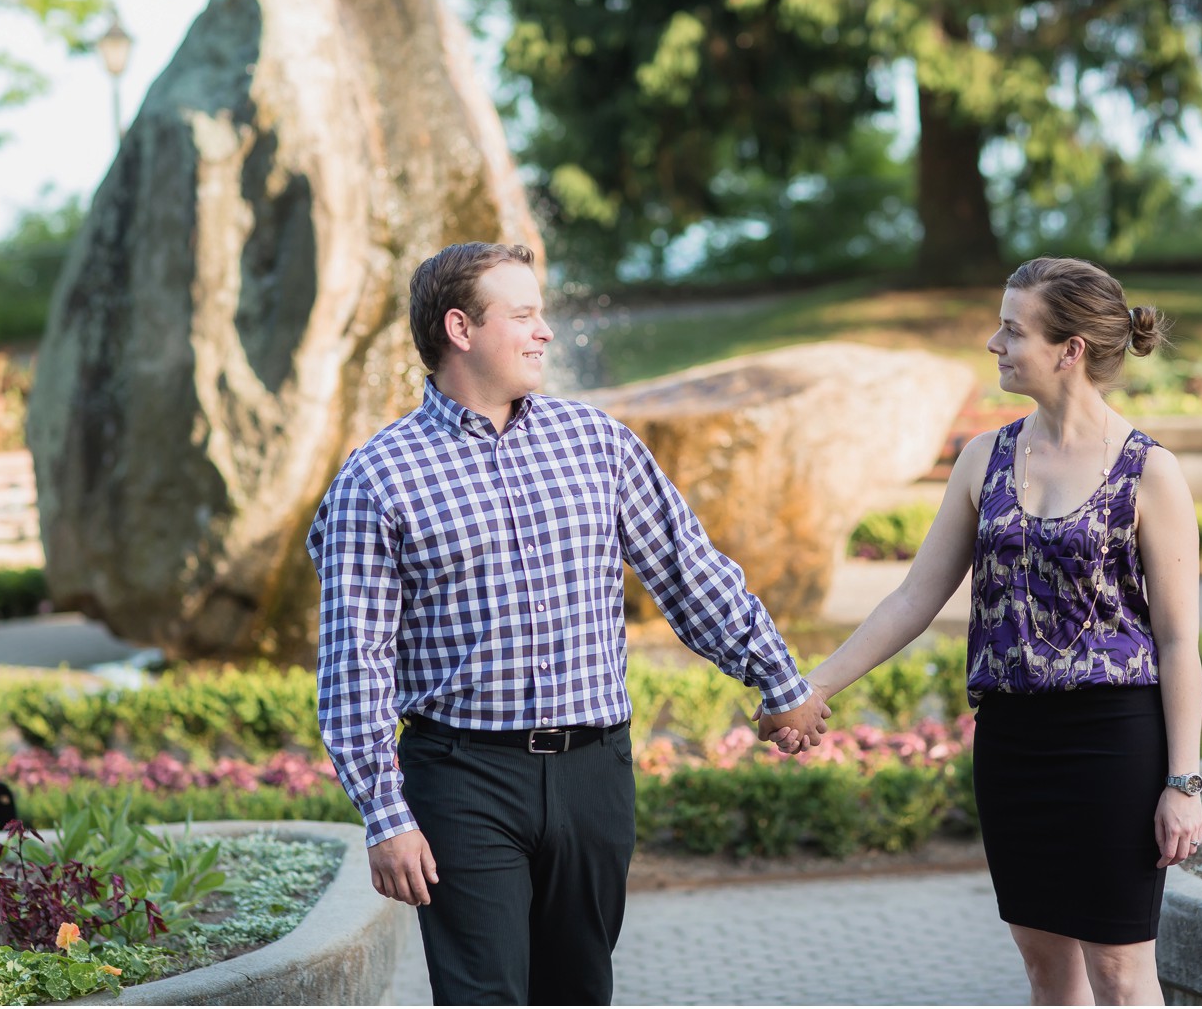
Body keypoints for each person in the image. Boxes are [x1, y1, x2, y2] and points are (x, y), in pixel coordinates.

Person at [307, 242, 831, 1006]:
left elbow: (690, 575)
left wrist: (779, 681)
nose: (544, 330)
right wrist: (387, 818)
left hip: (594, 775)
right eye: (522, 314)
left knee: (579, 993)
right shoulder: (378, 477)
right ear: (460, 328)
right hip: (463, 779)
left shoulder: (596, 442)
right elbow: (357, 664)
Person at [763, 257, 1202, 1005]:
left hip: (1114, 743)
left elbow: (1178, 641)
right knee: (1044, 969)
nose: (992, 342)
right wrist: (814, 685)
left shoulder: (1149, 472)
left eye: (1011, 329)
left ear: (1070, 350)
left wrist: (1182, 782)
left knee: (1122, 973)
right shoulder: (984, 459)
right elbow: (912, 599)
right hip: (1012, 744)